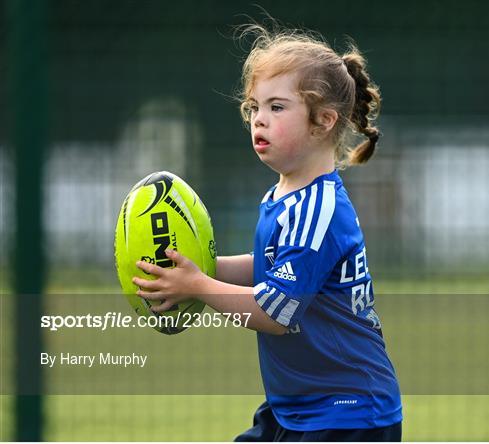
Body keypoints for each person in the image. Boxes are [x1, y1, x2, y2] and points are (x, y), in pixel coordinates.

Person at [133, 22, 402, 442]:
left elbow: (275, 313)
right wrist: (204, 268)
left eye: (277, 108)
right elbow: (273, 269)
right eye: (254, 107)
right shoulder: (283, 193)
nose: (259, 120)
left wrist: (199, 285)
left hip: (346, 415)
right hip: (296, 406)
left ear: (323, 121)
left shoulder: (318, 210)